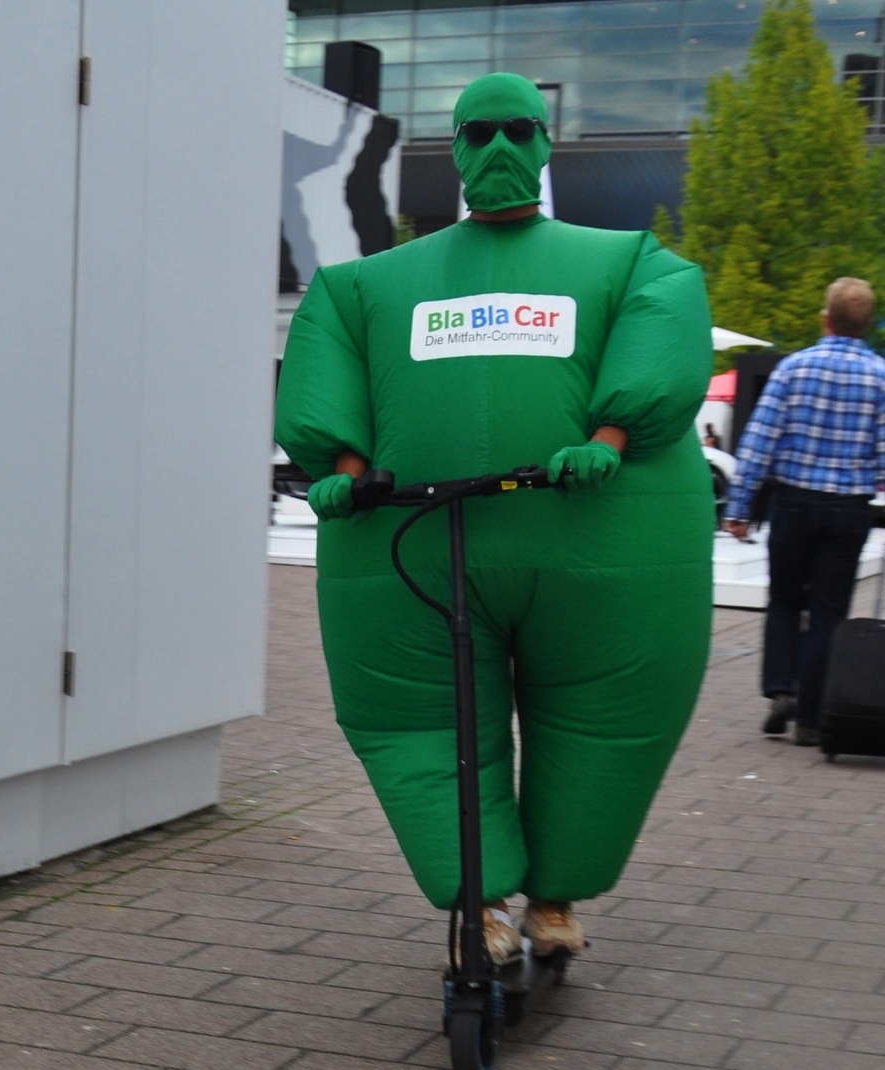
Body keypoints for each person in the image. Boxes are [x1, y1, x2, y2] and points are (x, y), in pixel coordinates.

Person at [275, 74, 714, 966]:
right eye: (480, 134)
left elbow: (662, 326)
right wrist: (344, 471)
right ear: (456, 149)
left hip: (598, 541)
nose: (501, 150)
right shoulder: (362, 286)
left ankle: (553, 897)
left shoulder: (631, 261)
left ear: (546, 141)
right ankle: (478, 903)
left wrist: (609, 437)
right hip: (413, 545)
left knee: (601, 722)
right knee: (420, 724)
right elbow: (326, 365)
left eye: (519, 130)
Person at [722, 278, 885, 747]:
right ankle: (812, 715)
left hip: (793, 501)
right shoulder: (884, 377)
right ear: (868, 325)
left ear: (826, 319)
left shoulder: (792, 368)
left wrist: (740, 506)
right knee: (829, 612)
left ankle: (779, 690)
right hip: (848, 509)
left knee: (784, 601)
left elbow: (758, 442)